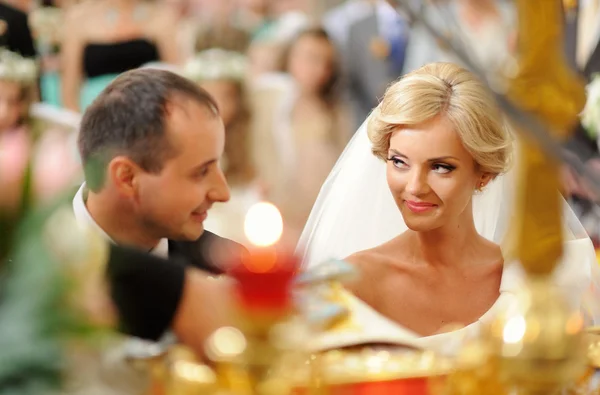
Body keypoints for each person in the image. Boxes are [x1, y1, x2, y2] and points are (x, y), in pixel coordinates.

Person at [298, 62, 600, 356]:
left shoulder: (538, 281)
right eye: (399, 162)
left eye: (441, 167)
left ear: (484, 173)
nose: (415, 186)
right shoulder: (348, 285)